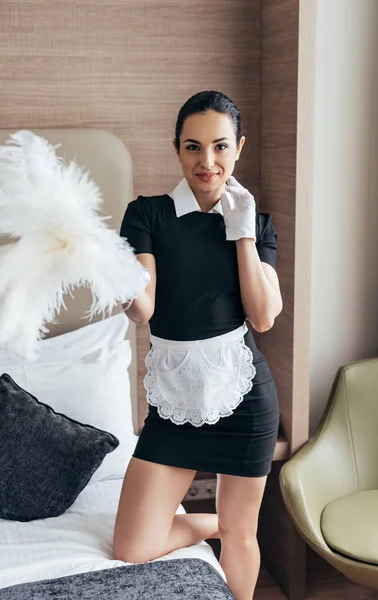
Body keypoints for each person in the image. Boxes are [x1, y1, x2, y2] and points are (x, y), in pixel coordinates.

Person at [113, 90, 282, 600]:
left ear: (239, 148)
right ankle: (210, 525)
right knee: (132, 548)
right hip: (175, 400)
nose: (207, 162)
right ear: (176, 149)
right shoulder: (147, 214)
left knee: (243, 534)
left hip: (244, 396)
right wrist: (114, 280)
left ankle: (228, 532)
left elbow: (264, 316)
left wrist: (244, 234)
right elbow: (144, 309)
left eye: (220, 147)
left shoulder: (256, 220)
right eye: (192, 147)